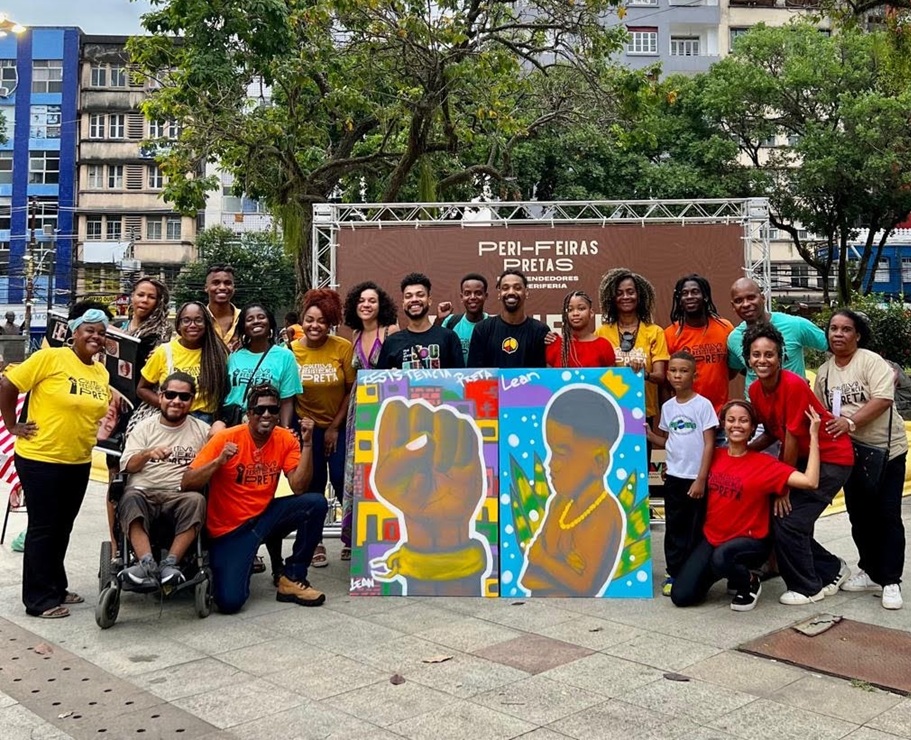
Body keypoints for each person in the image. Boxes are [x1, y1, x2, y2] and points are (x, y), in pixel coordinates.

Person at [0, 303, 112, 618]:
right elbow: (8, 384)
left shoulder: (100, 371)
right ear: (74, 331)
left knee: (62, 527)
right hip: (40, 459)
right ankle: (38, 600)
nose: (96, 337)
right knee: (43, 527)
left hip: (78, 460)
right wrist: (11, 425)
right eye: (89, 330)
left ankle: (56, 586)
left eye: (101, 333)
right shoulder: (50, 357)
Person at [182, 384, 328, 613]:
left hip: (264, 517)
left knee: (316, 503)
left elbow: (299, 487)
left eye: (273, 410)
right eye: (260, 410)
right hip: (229, 529)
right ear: (248, 413)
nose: (267, 415)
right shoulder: (226, 438)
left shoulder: (286, 439)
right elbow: (187, 482)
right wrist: (218, 462)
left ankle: (292, 577)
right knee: (230, 603)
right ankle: (239, 562)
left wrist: (308, 443)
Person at [671, 400, 823, 611]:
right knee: (681, 595)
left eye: (744, 421)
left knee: (721, 558)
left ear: (752, 428)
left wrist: (814, 436)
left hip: (750, 541)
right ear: (723, 424)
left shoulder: (764, 463)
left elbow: (810, 481)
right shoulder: (713, 455)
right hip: (712, 537)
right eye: (731, 420)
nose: (736, 425)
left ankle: (749, 581)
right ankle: (726, 571)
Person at [745, 323, 854, 605]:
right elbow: (772, 431)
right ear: (748, 359)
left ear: (780, 358)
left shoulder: (793, 385)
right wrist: (743, 451)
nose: (762, 360)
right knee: (780, 518)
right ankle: (832, 569)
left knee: (790, 521)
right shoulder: (756, 390)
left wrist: (783, 486)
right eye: (756, 355)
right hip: (805, 459)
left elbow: (792, 438)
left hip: (831, 458)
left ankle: (808, 587)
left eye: (769, 354)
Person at [814, 310, 906, 610]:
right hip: (850, 456)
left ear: (858, 335)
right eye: (833, 329)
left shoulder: (870, 361)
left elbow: (883, 399)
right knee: (859, 515)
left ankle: (891, 580)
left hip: (886, 451)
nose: (838, 334)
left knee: (887, 515)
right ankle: (869, 569)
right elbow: (822, 412)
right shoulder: (826, 371)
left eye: (845, 329)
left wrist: (850, 423)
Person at [518, 387, 627, 597]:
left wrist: (544, 559)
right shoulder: (560, 502)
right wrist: (558, 565)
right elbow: (529, 575)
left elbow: (583, 585)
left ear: (599, 461)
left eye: (560, 454)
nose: (551, 465)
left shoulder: (604, 513)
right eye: (550, 452)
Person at [118, 372, 210, 586]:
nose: (176, 401)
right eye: (170, 395)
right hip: (143, 491)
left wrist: (219, 427)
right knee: (129, 497)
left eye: (184, 397)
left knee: (197, 500)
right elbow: (128, 466)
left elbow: (223, 438)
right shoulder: (144, 428)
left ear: (191, 401)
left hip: (179, 494)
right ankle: (146, 563)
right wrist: (148, 454)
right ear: (160, 396)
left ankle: (171, 564)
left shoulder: (201, 430)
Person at [292, 289, 355, 566]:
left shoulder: (342, 347)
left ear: (330, 323)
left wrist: (334, 427)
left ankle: (351, 538)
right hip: (307, 428)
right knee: (313, 485)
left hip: (338, 427)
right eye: (309, 320)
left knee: (343, 481)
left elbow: (350, 391)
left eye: (321, 321)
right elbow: (289, 393)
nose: (314, 326)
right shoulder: (290, 351)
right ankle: (314, 542)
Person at [646, 351, 717, 597]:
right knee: (675, 528)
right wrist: (648, 433)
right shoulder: (667, 407)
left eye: (684, 371)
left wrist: (701, 479)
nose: (678, 375)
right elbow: (668, 441)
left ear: (694, 375)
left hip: (696, 480)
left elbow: (709, 444)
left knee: (697, 528)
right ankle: (673, 572)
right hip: (674, 479)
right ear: (667, 374)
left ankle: (696, 574)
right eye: (674, 370)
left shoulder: (703, 405)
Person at [340, 281, 399, 557]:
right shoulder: (353, 334)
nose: (366, 304)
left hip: (383, 406)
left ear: (381, 305)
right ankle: (355, 537)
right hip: (357, 407)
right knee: (357, 471)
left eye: (372, 300)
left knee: (383, 467)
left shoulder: (390, 331)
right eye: (361, 300)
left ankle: (384, 535)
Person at [595, 268, 669, 427]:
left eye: (630, 292)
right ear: (612, 298)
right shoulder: (602, 332)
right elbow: (597, 373)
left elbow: (660, 376)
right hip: (611, 408)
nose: (625, 297)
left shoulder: (654, 332)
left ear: (639, 295)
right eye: (619, 293)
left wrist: (644, 373)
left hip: (642, 412)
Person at [727, 277, 827, 392]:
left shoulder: (795, 325)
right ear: (733, 306)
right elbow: (736, 368)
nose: (745, 304)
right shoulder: (734, 338)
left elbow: (835, 347)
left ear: (763, 298)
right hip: (755, 406)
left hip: (793, 404)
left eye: (751, 298)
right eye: (739, 301)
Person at [138, 301, 228, 425]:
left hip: (206, 421)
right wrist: (168, 404)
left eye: (198, 320)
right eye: (186, 320)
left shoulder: (218, 354)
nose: (192, 325)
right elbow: (142, 389)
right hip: (173, 418)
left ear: (207, 324)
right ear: (178, 325)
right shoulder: (164, 352)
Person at [223, 303, 302, 429]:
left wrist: (284, 429)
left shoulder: (285, 357)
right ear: (243, 327)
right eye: (249, 319)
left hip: (267, 424)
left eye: (261, 317)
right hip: (234, 425)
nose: (256, 321)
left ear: (270, 322)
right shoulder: (233, 356)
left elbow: (287, 400)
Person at [665, 274, 734, 413]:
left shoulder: (725, 328)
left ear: (705, 296)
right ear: (679, 300)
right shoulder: (670, 334)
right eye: (684, 293)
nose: (689, 296)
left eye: (695, 292)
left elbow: (733, 367)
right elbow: (667, 381)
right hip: (686, 415)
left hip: (719, 414)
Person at [379, 273, 464, 370]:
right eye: (408, 296)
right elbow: (380, 381)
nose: (414, 299)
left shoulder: (449, 338)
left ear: (429, 300)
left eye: (420, 295)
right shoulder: (391, 342)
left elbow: (459, 379)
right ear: (403, 304)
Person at [466, 270, 549, 368]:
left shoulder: (540, 331)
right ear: (499, 293)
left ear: (526, 292)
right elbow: (475, 373)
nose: (511, 292)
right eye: (505, 288)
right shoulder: (482, 329)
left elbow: (543, 376)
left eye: (517, 288)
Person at [546, 290, 615, 368]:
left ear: (591, 313)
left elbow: (611, 377)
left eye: (581, 309)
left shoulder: (603, 345)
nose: (575, 313)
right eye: (570, 310)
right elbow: (548, 377)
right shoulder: (555, 343)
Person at [435, 273, 490, 363]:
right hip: (456, 376)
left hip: (486, 376)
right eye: (467, 293)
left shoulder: (493, 325)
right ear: (461, 297)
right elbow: (434, 344)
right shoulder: (450, 322)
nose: (472, 297)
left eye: (478, 293)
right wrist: (439, 320)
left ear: (485, 296)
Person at [204, 264, 242, 351]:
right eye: (216, 283)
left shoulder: (245, 318)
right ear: (206, 288)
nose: (222, 287)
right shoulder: (198, 320)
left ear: (233, 288)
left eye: (227, 283)